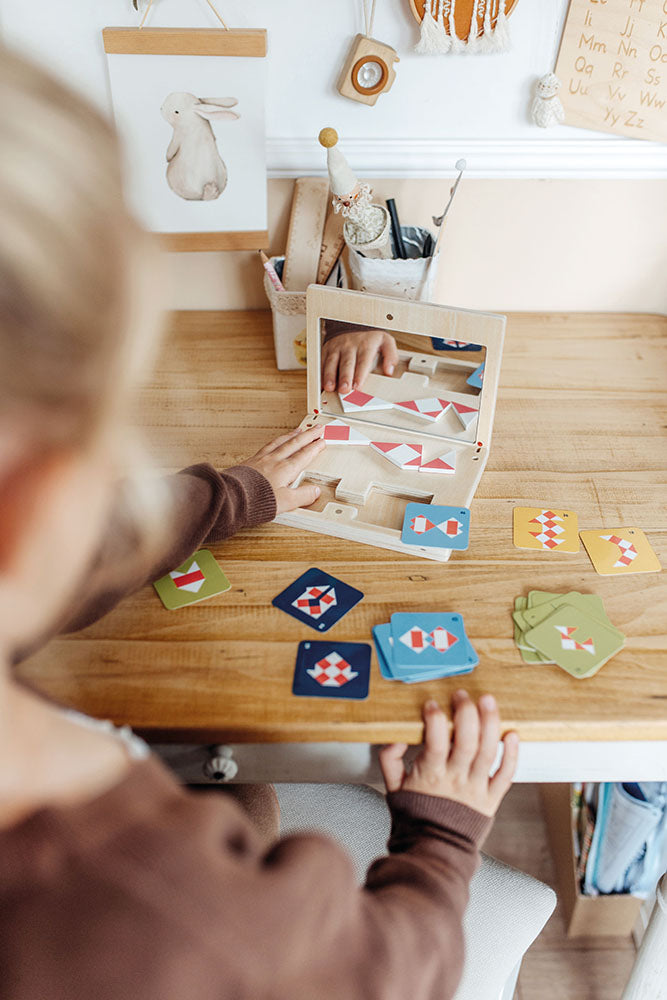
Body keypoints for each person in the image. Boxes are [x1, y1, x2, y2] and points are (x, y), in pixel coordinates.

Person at [0, 44, 519, 1000]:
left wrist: (233, 494)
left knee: (241, 789)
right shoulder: (187, 918)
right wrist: (441, 835)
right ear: (38, 509)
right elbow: (395, 973)